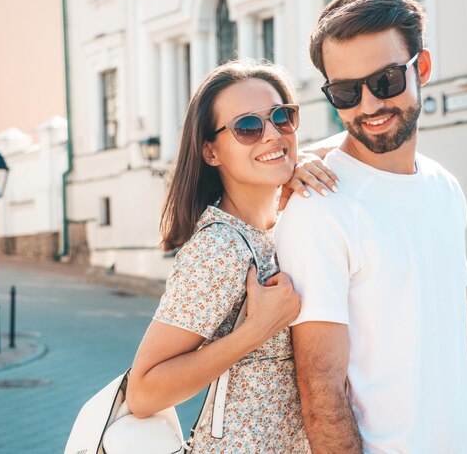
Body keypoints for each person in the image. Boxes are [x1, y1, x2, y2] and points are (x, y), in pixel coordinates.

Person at [275, 0, 467, 453]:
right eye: (344, 91)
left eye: (385, 81)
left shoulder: (444, 187)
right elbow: (321, 395)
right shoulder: (319, 207)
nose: (368, 106)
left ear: (421, 68)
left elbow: (460, 329)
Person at [125, 60, 337, 452]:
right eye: (248, 128)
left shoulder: (284, 224)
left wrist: (302, 160)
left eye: (281, 118)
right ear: (210, 151)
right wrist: (257, 330)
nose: (271, 135)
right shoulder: (219, 247)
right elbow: (143, 392)